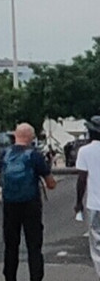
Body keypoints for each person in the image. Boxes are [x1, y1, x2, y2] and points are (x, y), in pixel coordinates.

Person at [0, 122, 56, 281]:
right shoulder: (35, 155)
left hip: (10, 204)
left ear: (15, 135)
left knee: (11, 245)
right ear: (31, 137)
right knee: (34, 245)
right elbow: (50, 183)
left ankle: (10, 276)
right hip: (31, 204)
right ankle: (35, 277)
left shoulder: (4, 154)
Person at [73, 115, 100, 278]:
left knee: (97, 244)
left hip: (95, 204)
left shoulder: (85, 151)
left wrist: (78, 203)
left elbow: (81, 179)